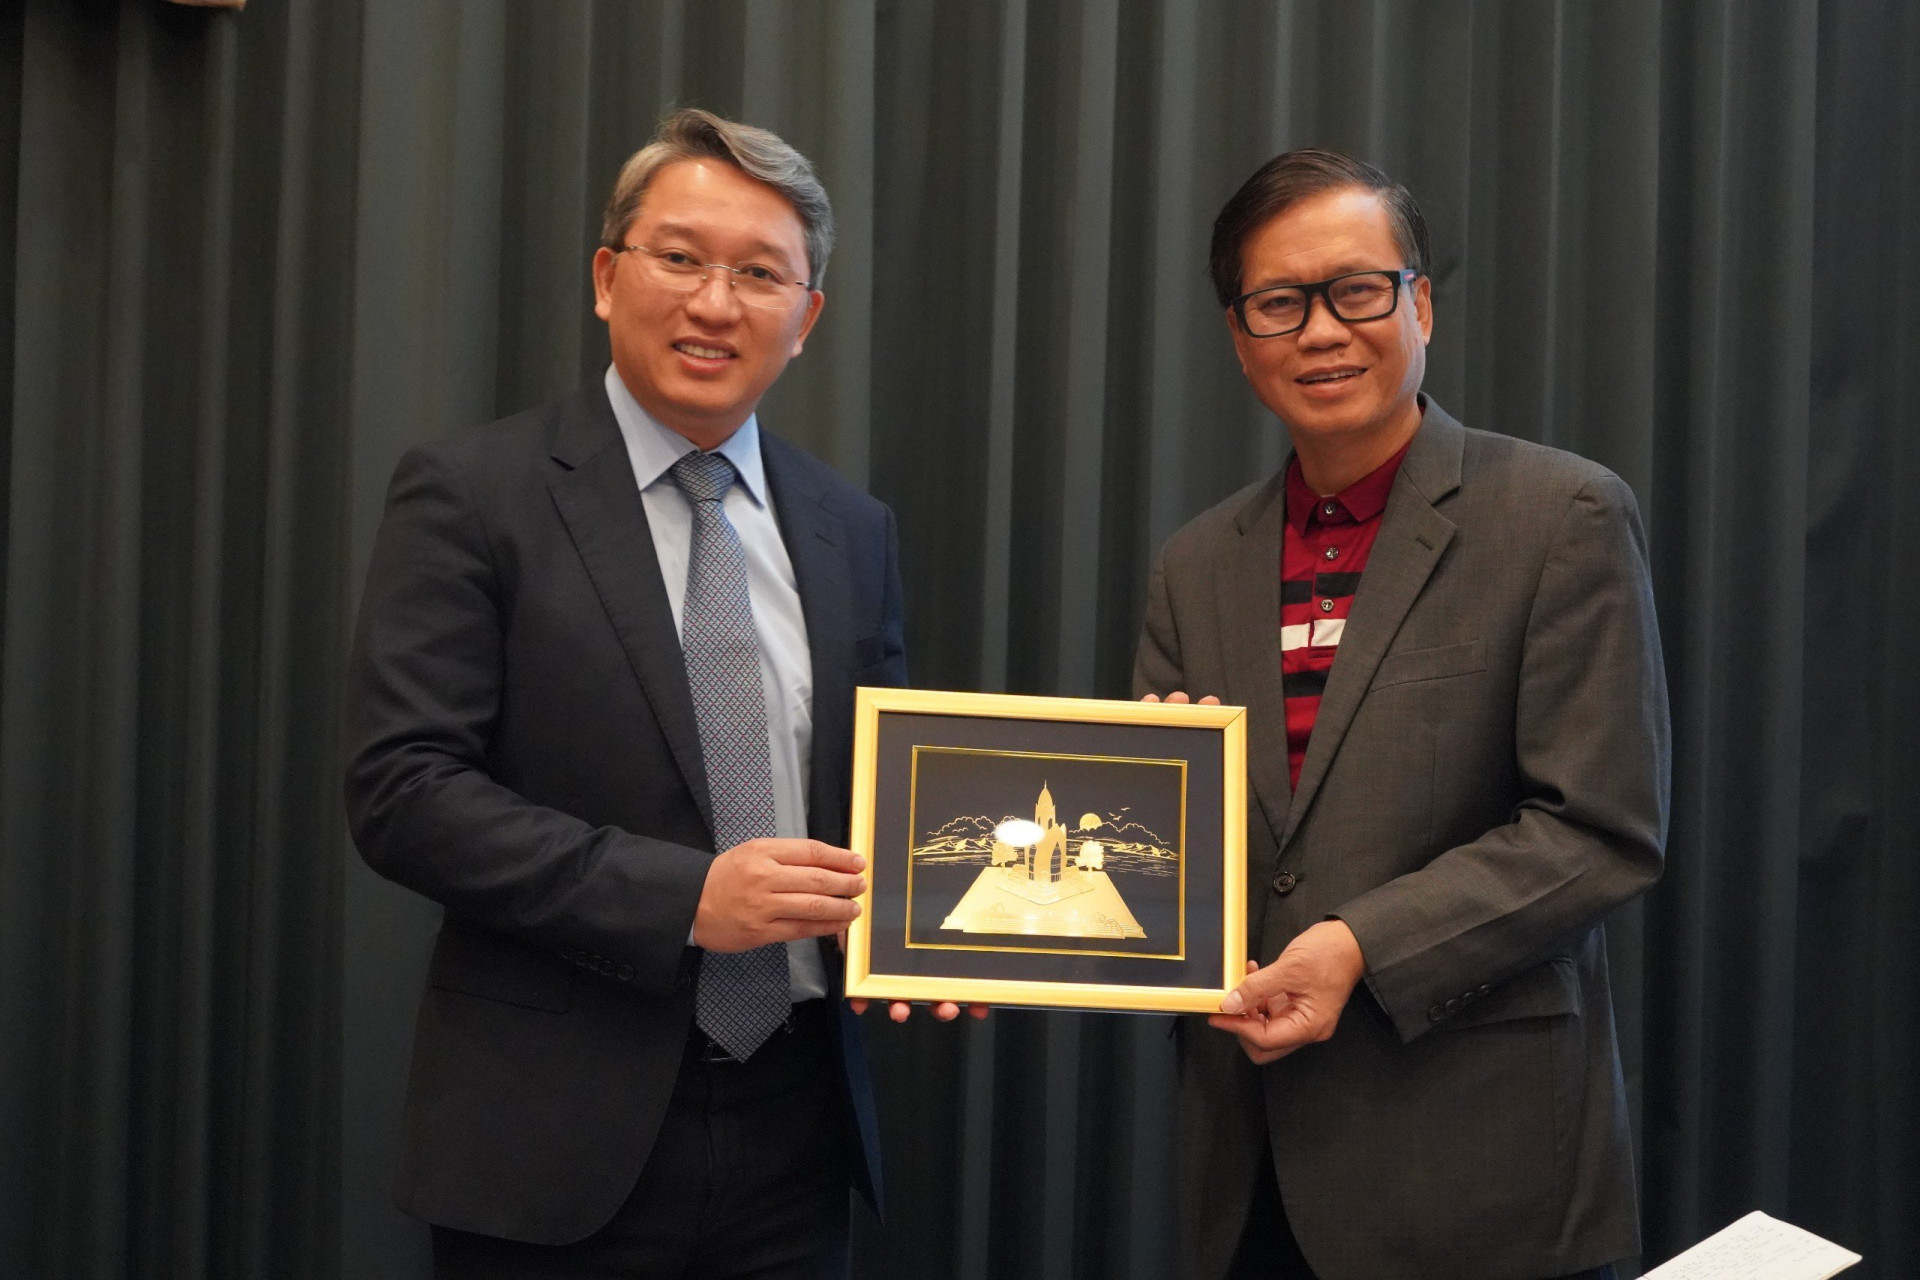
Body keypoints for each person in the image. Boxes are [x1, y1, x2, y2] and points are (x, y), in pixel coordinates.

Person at [345, 108, 959, 1280]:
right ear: (605, 274)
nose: (715, 303)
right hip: (551, 1133)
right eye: (679, 257)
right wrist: (686, 897)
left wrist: (944, 932)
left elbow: (889, 794)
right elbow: (403, 792)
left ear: (806, 319)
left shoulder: (852, 529)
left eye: (760, 273)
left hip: (796, 1119)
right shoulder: (475, 493)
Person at [1133, 149, 1669, 1280]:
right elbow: (1162, 854)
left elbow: (1599, 829)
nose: (1321, 330)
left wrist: (1360, 947)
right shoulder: (1195, 564)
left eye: (1358, 290)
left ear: (1418, 302)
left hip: (1482, 1175)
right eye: (1279, 303)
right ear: (1240, 337)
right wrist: (985, 931)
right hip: (1251, 1176)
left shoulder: (1560, 515)